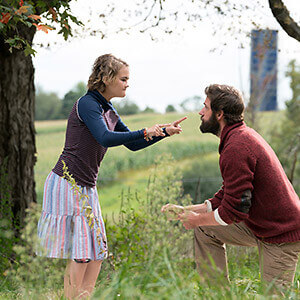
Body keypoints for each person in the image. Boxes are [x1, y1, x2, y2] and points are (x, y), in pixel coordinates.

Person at [37, 54, 187, 299]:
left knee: (96, 250)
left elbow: (133, 145)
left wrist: (162, 133)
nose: (128, 83)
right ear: (106, 78)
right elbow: (104, 138)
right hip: (67, 183)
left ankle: (84, 296)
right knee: (82, 251)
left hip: (86, 186)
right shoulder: (87, 104)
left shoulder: (107, 108)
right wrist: (144, 130)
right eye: (123, 78)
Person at [162, 84, 300, 290]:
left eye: (205, 107)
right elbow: (227, 196)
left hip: (281, 234)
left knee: (273, 296)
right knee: (205, 229)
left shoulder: (237, 146)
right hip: (260, 226)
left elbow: (234, 210)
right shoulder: (236, 139)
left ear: (219, 114)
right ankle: (217, 294)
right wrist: (188, 211)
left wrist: (195, 219)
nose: (200, 112)